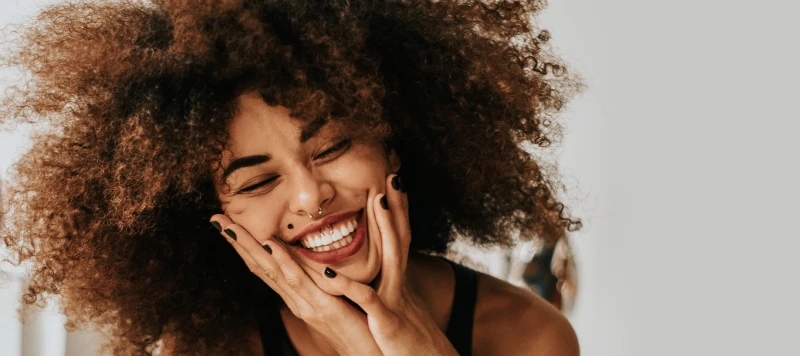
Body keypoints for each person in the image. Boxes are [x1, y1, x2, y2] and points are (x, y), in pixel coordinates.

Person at [0, 0, 583, 355]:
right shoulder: (210, 351)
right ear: (215, 218)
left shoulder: (529, 337)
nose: (310, 196)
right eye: (255, 183)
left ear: (394, 144)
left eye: (330, 146)